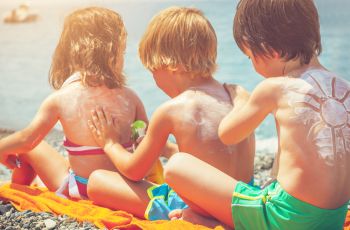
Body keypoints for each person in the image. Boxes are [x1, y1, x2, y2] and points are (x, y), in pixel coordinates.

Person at [164, 0, 350, 229]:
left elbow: (228, 133)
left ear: (269, 50)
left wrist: (241, 97)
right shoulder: (344, 88)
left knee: (177, 165)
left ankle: (214, 221)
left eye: (250, 57)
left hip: (284, 219)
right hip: (332, 219)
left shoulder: (274, 88)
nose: (252, 64)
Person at [86, 6, 255, 221]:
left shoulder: (172, 110)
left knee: (97, 181)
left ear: (172, 65)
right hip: (244, 204)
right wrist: (165, 149)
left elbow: (134, 170)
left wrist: (110, 143)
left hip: (203, 207)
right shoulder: (234, 94)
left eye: (153, 71)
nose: (155, 81)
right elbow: (212, 156)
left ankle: (178, 216)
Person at [0, 7, 164, 200]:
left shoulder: (61, 99)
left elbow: (27, 140)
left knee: (30, 149)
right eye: (122, 52)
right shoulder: (131, 98)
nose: (122, 59)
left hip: (81, 190)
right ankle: (21, 191)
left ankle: (18, 192)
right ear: (110, 54)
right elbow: (144, 142)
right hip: (122, 189)